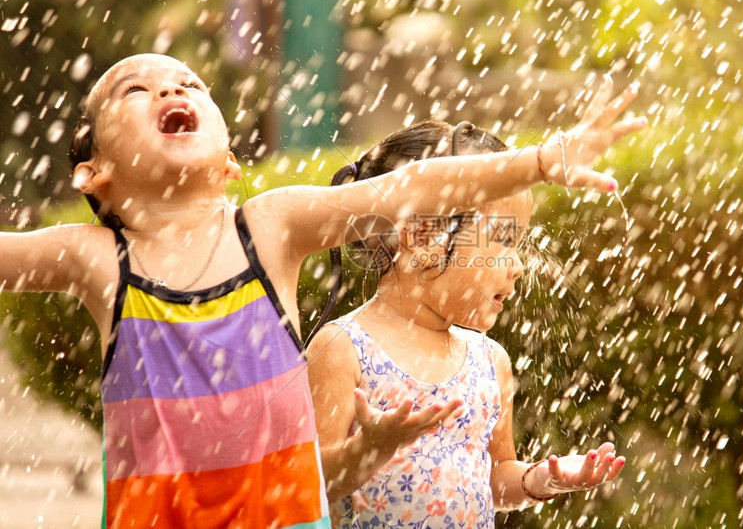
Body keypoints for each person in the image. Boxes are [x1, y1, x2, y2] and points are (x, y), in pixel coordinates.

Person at [0, 53, 643, 528]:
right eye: (134, 89)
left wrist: (540, 159)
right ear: (95, 173)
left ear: (228, 162)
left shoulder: (269, 227)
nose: (168, 87)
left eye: (190, 82)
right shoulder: (95, 259)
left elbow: (406, 191)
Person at [307, 118, 634, 528]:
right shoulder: (342, 348)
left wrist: (542, 479)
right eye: (502, 240)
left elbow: (496, 477)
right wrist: (367, 451)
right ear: (422, 238)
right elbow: (306, 484)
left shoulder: (490, 361)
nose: (517, 266)